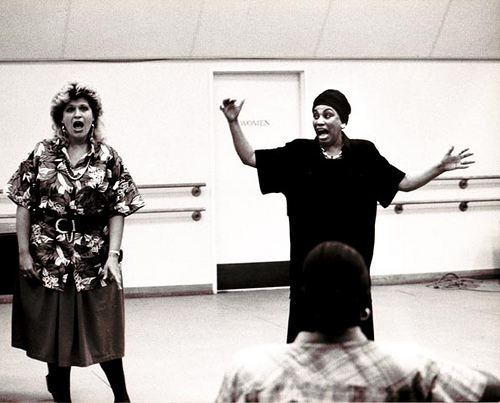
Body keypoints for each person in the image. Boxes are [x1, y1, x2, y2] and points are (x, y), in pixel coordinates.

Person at [220, 89, 475, 343]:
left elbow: (404, 182)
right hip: (309, 270)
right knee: (306, 345)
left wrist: (439, 167)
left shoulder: (364, 155)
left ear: (342, 121)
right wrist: (233, 122)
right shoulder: (297, 154)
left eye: (327, 114)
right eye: (315, 115)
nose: (319, 120)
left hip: (353, 269)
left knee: (356, 344)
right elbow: (251, 158)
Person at [215, 241, 500, 402]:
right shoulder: (411, 367)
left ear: (303, 305)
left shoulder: (250, 373)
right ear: (365, 310)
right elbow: (486, 388)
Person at [4, 82, 145, 402]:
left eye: (84, 109)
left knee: (103, 324)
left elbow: (119, 207)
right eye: (70, 109)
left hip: (93, 256)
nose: (77, 114)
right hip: (48, 253)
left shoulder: (108, 157)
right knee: (56, 329)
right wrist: (23, 252)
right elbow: (23, 202)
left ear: (94, 117)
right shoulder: (42, 153)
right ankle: (61, 395)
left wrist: (113, 255)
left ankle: (121, 396)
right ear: (61, 120)